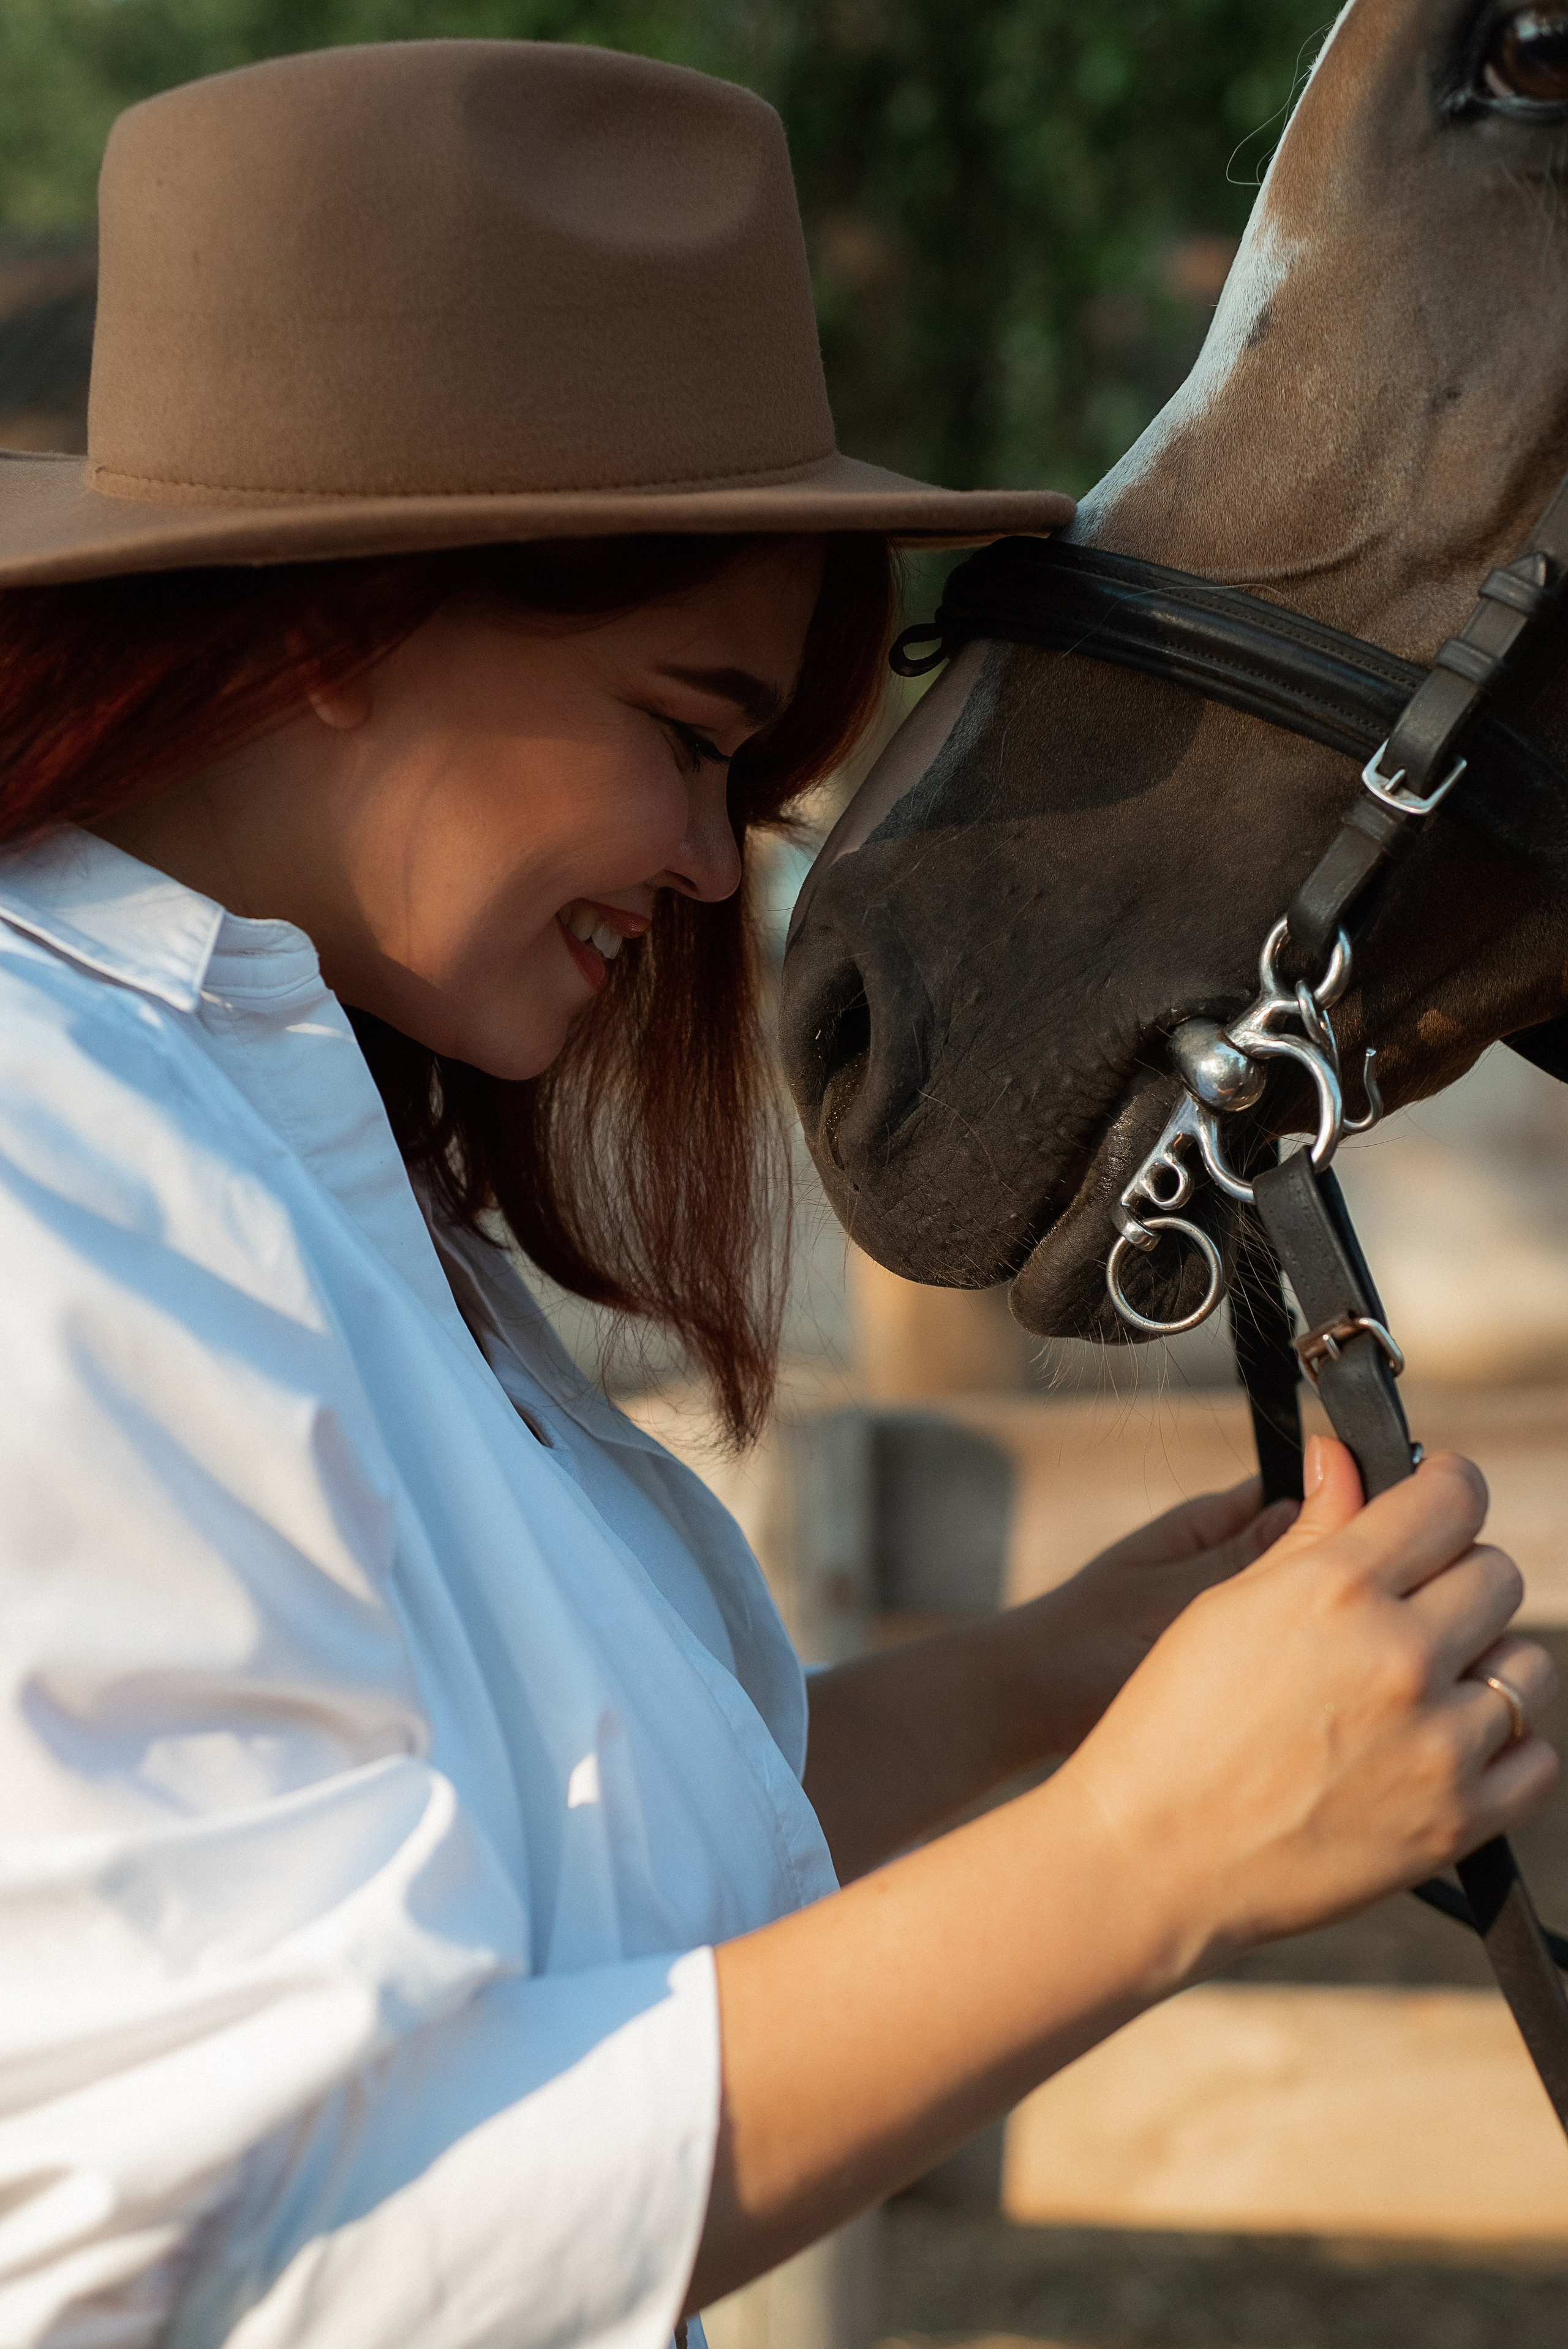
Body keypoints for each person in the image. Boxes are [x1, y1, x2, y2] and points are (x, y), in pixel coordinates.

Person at [0, 37, 1555, 2349]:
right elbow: (235, 2235)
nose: (714, 862)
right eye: (678, 726)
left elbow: (571, 1846)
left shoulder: (264, 1135)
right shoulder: (60, 1186)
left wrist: (1054, 1685)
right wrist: (1145, 1862)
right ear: (334, 631)